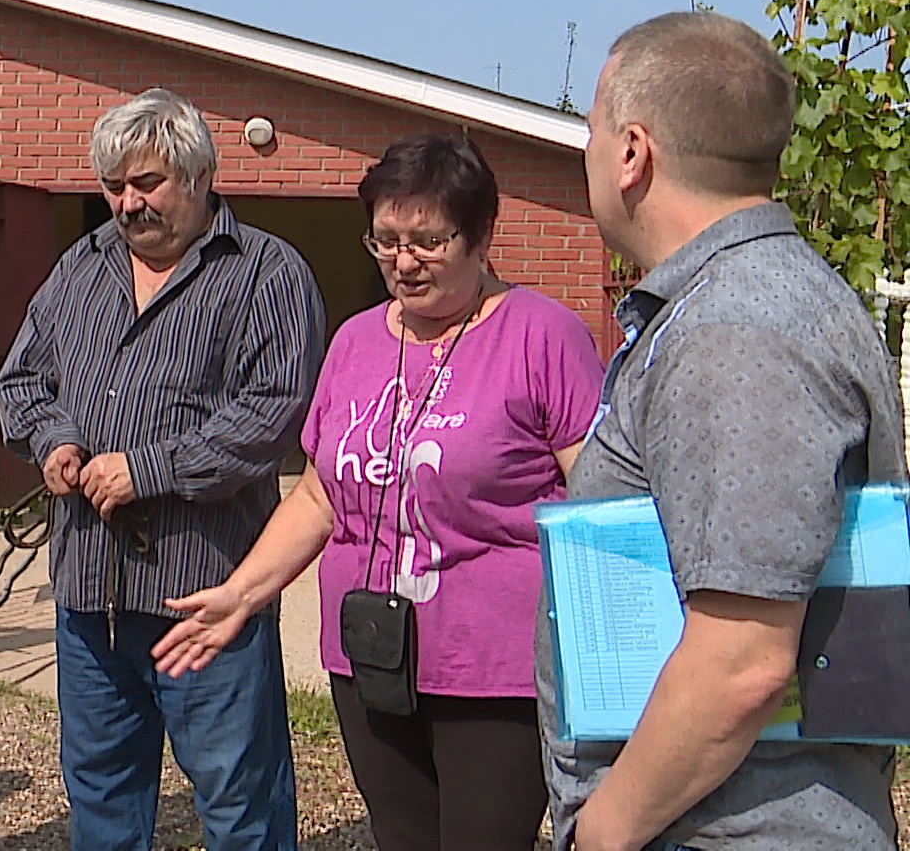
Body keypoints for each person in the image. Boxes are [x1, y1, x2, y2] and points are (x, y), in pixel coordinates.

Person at [152, 130, 606, 850]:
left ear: (481, 234)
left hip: (496, 668)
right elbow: (320, 496)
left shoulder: (543, 337)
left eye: (427, 241)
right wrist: (240, 595)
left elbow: (599, 500)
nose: (403, 261)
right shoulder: (356, 342)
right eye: (386, 241)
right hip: (370, 655)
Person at [543, 10, 907, 850]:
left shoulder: (737, 330)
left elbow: (740, 664)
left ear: (632, 153)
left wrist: (601, 834)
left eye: (591, 131)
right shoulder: (733, 305)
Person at [0, 88, 325, 851]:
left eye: (147, 183)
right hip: (90, 595)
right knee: (101, 798)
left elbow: (272, 413)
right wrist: (53, 441)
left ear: (201, 175)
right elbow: (21, 381)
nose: (128, 203)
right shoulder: (82, 266)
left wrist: (149, 469)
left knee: (240, 804)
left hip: (204, 597)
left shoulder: (266, 273)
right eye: (114, 187)